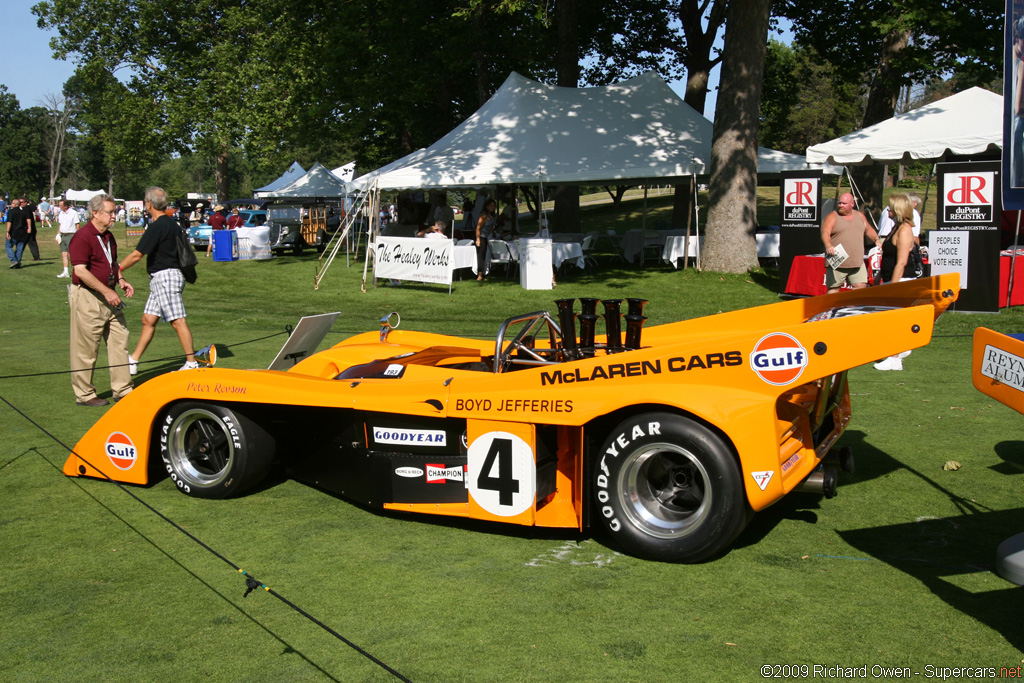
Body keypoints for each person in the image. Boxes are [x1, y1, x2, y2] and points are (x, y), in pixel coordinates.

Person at [119, 186, 200, 373]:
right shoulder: (172, 224)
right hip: (163, 278)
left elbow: (137, 255)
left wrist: (118, 268)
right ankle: (133, 360)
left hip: (166, 277)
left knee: (178, 320)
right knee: (148, 319)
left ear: (149, 204)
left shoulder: (158, 226)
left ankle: (191, 362)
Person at [67, 193, 135, 406]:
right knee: (86, 348)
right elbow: (80, 270)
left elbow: (112, 263)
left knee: (120, 339)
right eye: (110, 212)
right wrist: (106, 291)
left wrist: (121, 279)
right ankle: (84, 395)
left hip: (109, 296)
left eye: (115, 212)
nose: (114, 216)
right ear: (95, 213)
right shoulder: (82, 236)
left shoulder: (108, 236)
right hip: (89, 296)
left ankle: (123, 389)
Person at [874, 194, 918, 372]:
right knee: (890, 320)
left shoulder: (905, 230)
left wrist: (893, 285)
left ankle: (894, 358)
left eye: (891, 208)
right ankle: (899, 350)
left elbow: (901, 262)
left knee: (895, 321)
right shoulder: (896, 227)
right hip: (890, 278)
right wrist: (879, 277)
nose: (888, 211)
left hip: (900, 280)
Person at [820, 192, 880, 294]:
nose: (841, 206)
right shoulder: (832, 216)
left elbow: (869, 230)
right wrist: (828, 245)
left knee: (860, 286)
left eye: (844, 203)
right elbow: (825, 232)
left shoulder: (860, 216)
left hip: (857, 262)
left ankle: (853, 309)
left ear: (852, 204)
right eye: (840, 203)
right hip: (838, 262)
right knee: (834, 288)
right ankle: (831, 309)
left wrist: (876, 239)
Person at [474, 198, 498, 281]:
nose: (493, 207)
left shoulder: (492, 216)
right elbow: (478, 227)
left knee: (487, 255)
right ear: (487, 206)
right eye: (491, 206)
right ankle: (479, 275)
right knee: (481, 255)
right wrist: (478, 239)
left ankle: (486, 271)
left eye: (494, 206)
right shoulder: (484, 215)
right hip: (481, 237)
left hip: (488, 236)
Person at [56, 199, 80, 278]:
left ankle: (77, 271)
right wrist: (58, 234)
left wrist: (78, 236)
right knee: (64, 254)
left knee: (71, 255)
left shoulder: (73, 213)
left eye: (61, 205)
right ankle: (65, 271)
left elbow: (77, 225)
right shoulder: (61, 213)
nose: (59, 207)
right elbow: (60, 224)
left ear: (66, 206)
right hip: (63, 235)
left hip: (71, 235)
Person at [5, 198, 32, 268]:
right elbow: (28, 219)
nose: (11, 204)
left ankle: (14, 260)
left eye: (12, 203)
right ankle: (18, 262)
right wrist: (29, 227)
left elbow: (9, 222)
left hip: (13, 232)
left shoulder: (11, 212)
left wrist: (7, 231)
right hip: (22, 232)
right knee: (19, 248)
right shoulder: (23, 212)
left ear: (15, 204)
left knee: (8, 246)